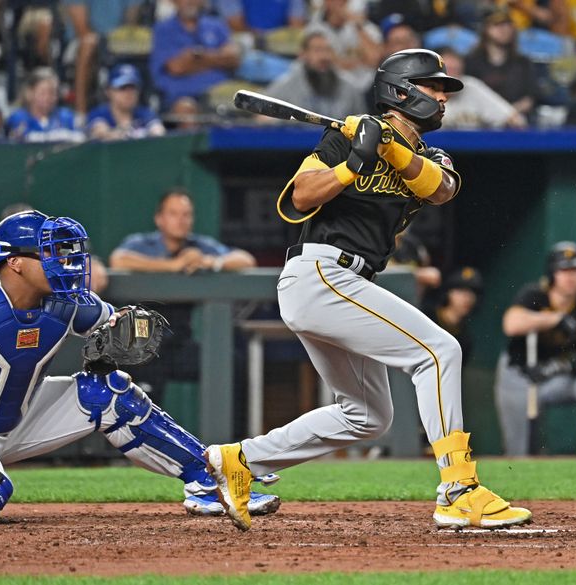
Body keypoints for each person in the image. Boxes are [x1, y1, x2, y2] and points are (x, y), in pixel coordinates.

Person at [204, 48, 532, 532]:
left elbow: (439, 188)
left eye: (444, 90)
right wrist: (354, 159)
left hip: (347, 282)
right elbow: (299, 197)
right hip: (320, 273)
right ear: (401, 91)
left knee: (367, 416)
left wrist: (390, 148)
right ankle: (458, 489)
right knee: (439, 351)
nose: (443, 97)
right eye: (433, 87)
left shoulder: (431, 154)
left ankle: (240, 461)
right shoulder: (345, 138)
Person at [0, 210, 279, 523]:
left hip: (14, 421)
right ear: (14, 263)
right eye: (47, 253)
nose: (62, 262)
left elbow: (112, 321)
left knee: (110, 392)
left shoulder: (64, 303)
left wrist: (121, 325)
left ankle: (206, 480)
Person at [108, 188, 255, 404]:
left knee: (232, 362)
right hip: (143, 343)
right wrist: (173, 266)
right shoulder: (142, 243)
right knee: (141, 402)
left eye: (186, 214)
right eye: (173, 213)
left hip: (179, 343)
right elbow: (118, 259)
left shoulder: (198, 246)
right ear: (159, 219)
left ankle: (234, 436)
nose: (181, 220)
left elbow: (246, 260)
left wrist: (208, 261)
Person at [495, 242, 576, 458]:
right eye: (564, 270)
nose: (571, 276)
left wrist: (561, 365)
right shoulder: (534, 294)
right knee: (518, 448)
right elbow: (511, 324)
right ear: (552, 274)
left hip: (559, 375)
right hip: (520, 372)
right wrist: (555, 319)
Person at [150, 0, 240, 111]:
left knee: (259, 113)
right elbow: (177, 68)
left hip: (220, 92)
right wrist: (216, 59)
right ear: (174, 2)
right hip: (182, 94)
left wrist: (196, 58)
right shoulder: (163, 29)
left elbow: (233, 59)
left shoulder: (216, 25)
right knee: (185, 108)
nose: (190, 2)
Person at [265, 30, 366, 121]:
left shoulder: (349, 87)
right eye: (317, 50)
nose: (324, 56)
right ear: (303, 54)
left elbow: (362, 124)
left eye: (328, 50)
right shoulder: (286, 86)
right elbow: (262, 117)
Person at [463, 8, 538, 123]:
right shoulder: (471, 62)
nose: (505, 29)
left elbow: (529, 99)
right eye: (498, 25)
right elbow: (467, 96)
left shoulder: (523, 63)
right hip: (479, 122)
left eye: (508, 25)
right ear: (485, 29)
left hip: (516, 122)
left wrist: (507, 114)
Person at [438, 46, 527, 129]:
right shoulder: (425, 91)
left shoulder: (471, 86)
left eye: (457, 70)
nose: (453, 77)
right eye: (449, 70)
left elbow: (515, 119)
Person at [305, 0, 382, 91]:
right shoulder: (314, 30)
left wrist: (357, 26)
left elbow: (374, 59)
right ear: (326, 2)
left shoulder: (364, 27)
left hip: (365, 89)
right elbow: (324, 63)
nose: (338, 4)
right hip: (330, 88)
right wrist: (358, 60)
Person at [87, 63, 165, 141]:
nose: (128, 93)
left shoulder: (145, 113)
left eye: (133, 87)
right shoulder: (99, 114)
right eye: (122, 88)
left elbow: (158, 131)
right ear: (108, 91)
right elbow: (102, 132)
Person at [5, 67, 84, 143]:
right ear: (29, 93)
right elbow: (22, 138)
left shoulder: (66, 116)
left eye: (52, 93)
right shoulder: (19, 117)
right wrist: (59, 136)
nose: (48, 98)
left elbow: (81, 137)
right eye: (43, 93)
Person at [425, 267, 483, 364]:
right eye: (461, 290)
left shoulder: (464, 340)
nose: (467, 297)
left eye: (472, 292)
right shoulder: (426, 316)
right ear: (448, 293)